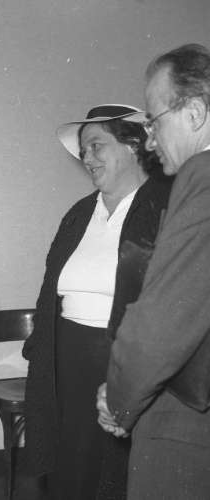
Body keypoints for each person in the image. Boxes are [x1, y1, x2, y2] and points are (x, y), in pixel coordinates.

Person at [22, 104, 171, 500]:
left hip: (125, 361)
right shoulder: (79, 213)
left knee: (116, 469)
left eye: (96, 146)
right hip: (66, 359)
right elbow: (49, 291)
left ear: (133, 146)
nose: (87, 158)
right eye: (84, 150)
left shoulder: (165, 208)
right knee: (71, 464)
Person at [99, 43, 210, 499]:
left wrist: (119, 401)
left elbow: (160, 326)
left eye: (154, 121)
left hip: (187, 424)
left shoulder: (202, 176)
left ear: (195, 113)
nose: (148, 140)